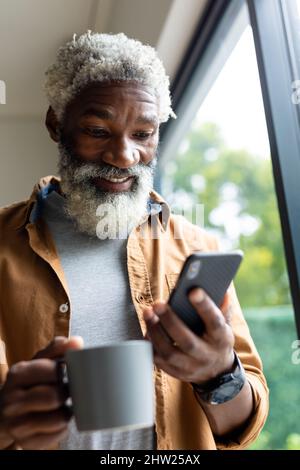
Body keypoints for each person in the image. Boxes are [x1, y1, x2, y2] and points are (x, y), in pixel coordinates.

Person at [0, 31, 268, 450]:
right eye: (97, 130)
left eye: (143, 134)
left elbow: (243, 426)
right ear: (56, 124)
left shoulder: (195, 249)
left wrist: (219, 374)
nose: (124, 155)